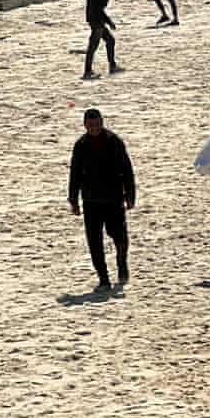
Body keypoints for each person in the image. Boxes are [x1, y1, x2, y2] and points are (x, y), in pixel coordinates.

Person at [69, 108, 135, 291]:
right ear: (85, 125)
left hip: (114, 199)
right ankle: (103, 278)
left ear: (102, 123)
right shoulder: (81, 145)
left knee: (120, 237)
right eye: (90, 125)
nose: (94, 128)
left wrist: (130, 195)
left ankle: (122, 264)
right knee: (94, 242)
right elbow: (74, 174)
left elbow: (127, 170)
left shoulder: (114, 142)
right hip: (91, 201)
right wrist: (73, 200)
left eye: (97, 124)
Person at [82, 0, 121, 80]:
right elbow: (102, 7)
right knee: (92, 47)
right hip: (97, 23)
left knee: (110, 40)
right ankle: (87, 72)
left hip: (97, 22)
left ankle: (112, 65)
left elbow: (100, 9)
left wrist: (108, 22)